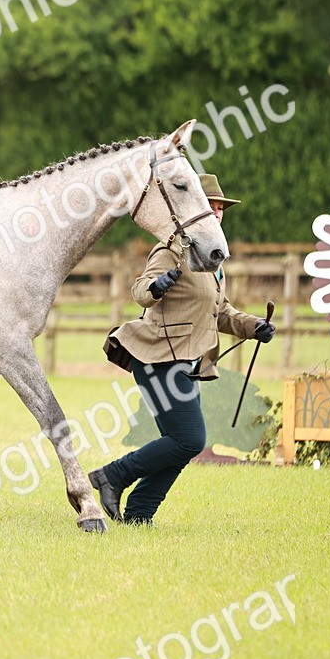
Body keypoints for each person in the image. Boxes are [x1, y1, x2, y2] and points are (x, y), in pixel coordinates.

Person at [90, 174, 275, 525]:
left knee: (179, 441)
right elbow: (140, 290)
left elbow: (220, 312)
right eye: (211, 206)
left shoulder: (212, 262)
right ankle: (112, 476)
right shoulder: (170, 249)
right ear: (195, 209)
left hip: (187, 362)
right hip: (158, 356)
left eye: (221, 208)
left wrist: (255, 327)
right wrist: (158, 286)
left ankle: (140, 513)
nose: (217, 213)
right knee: (190, 440)